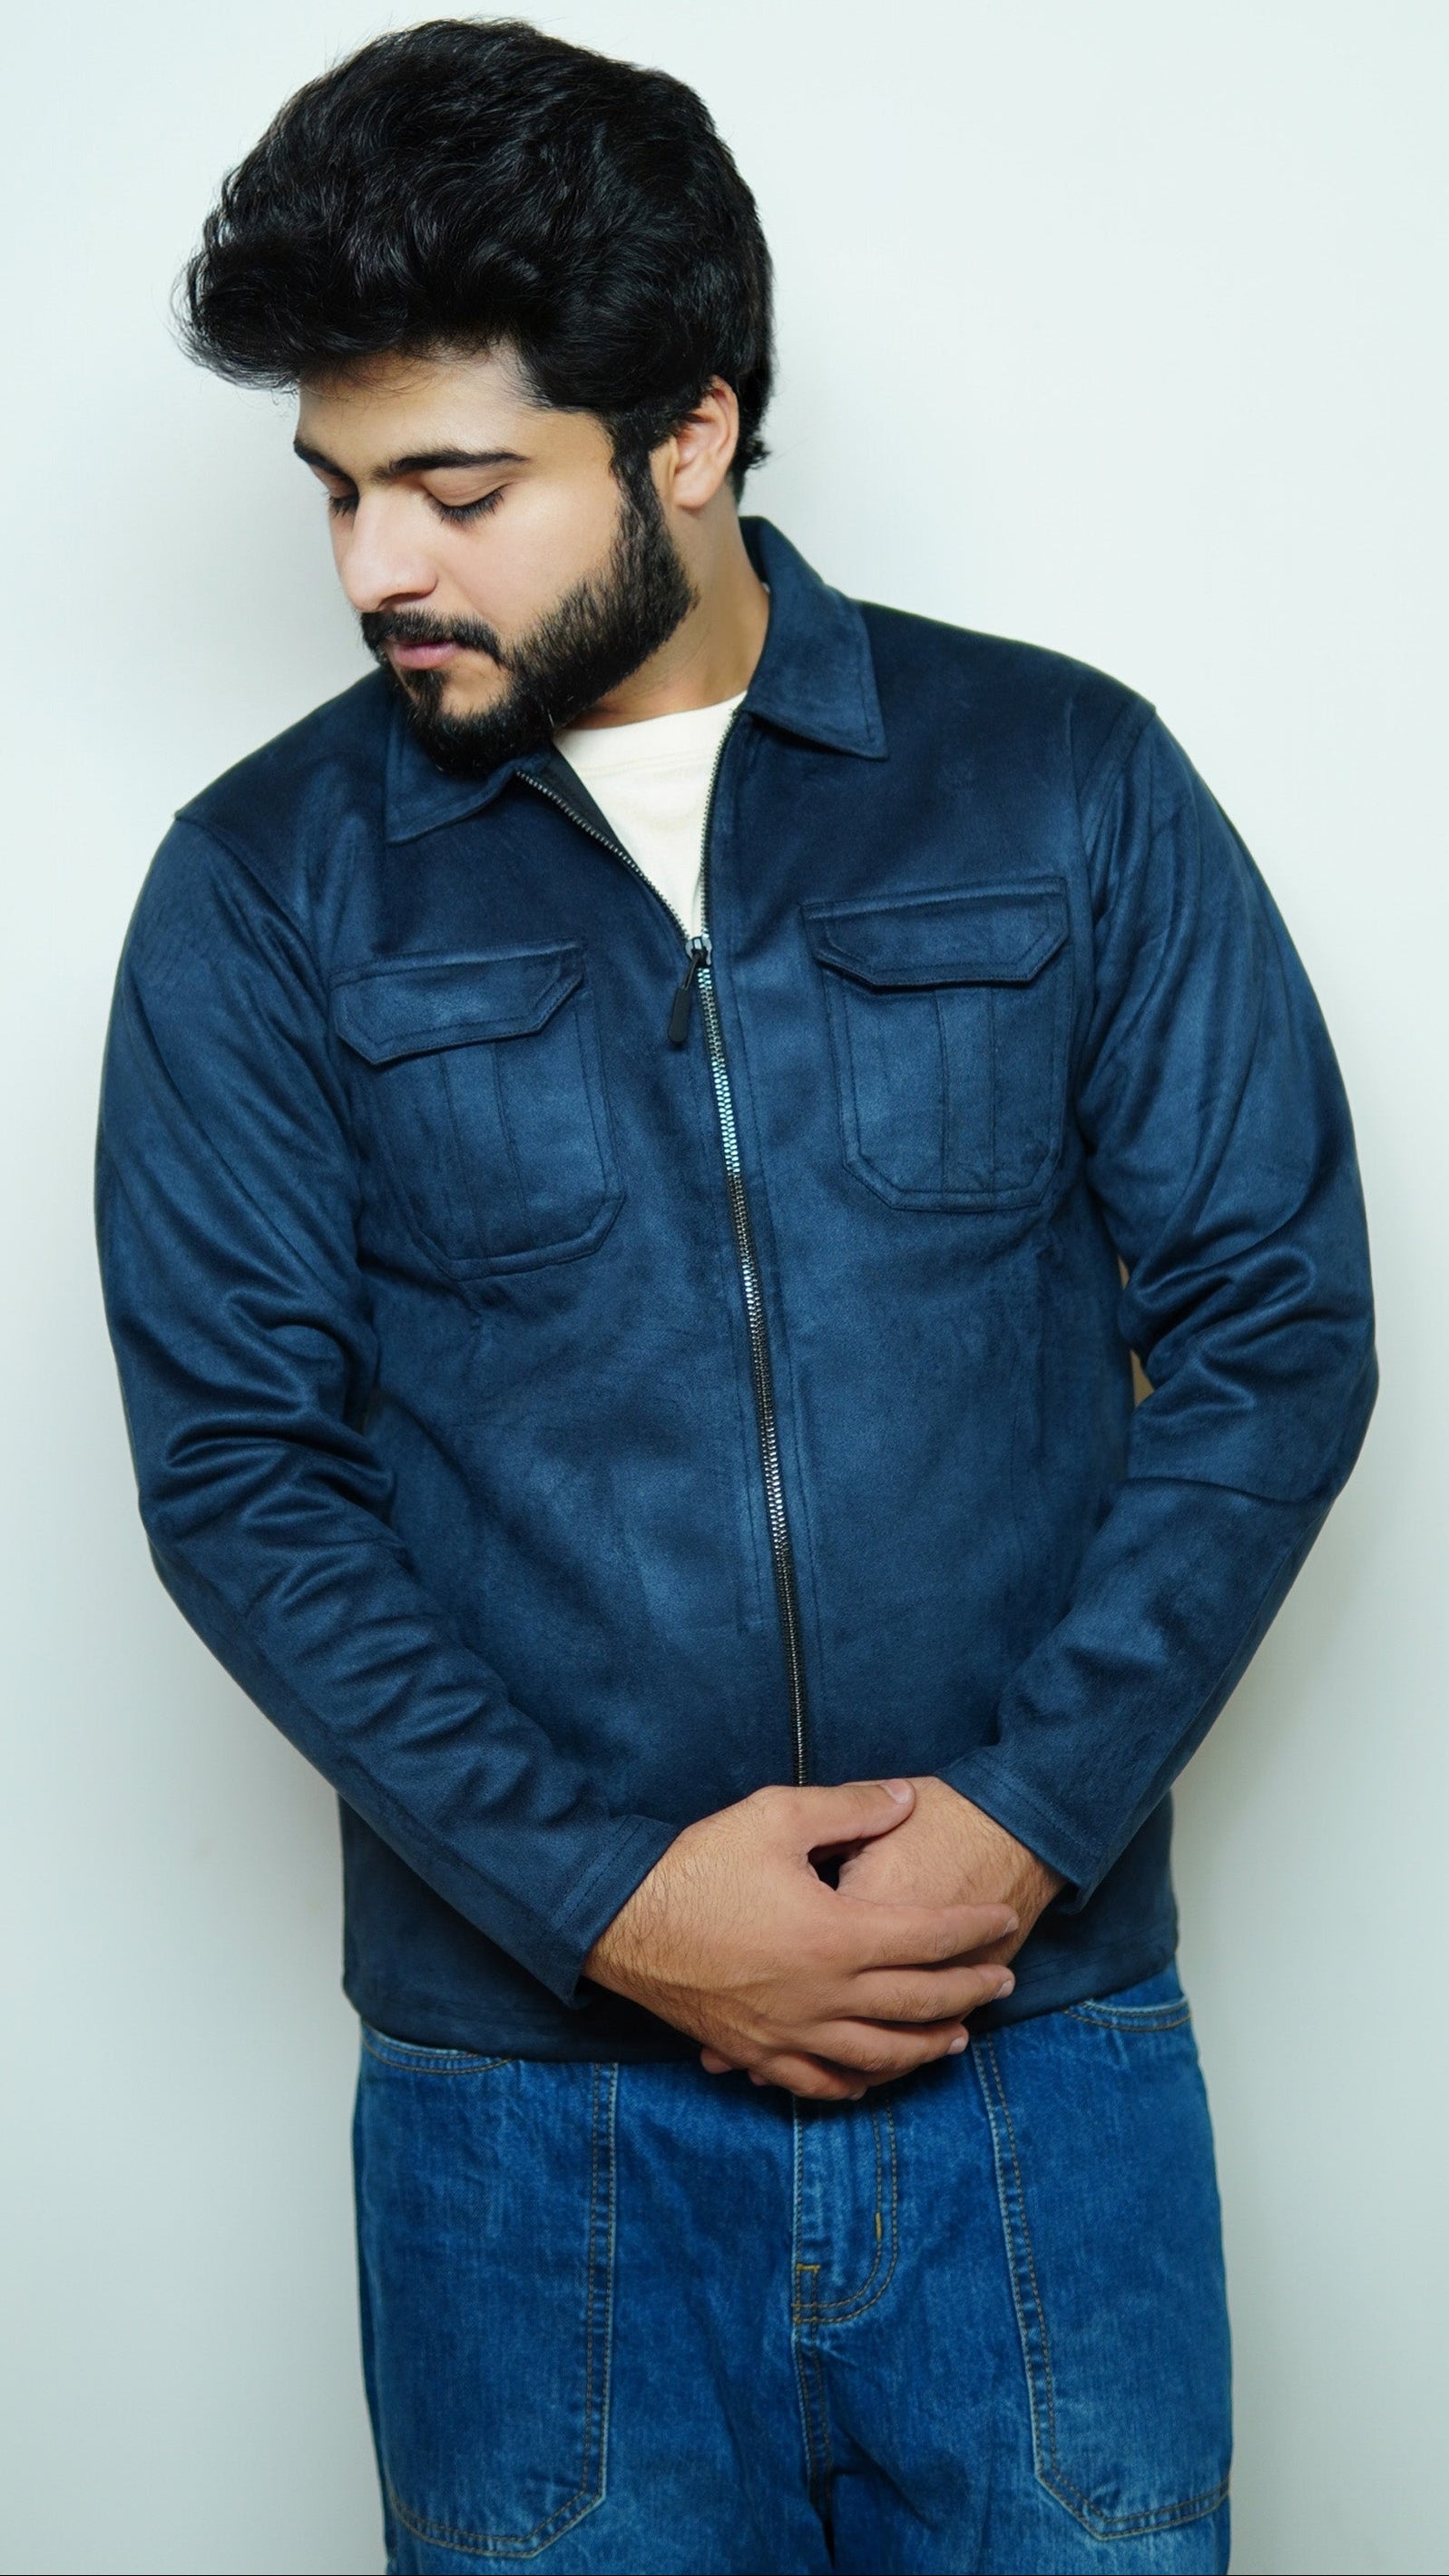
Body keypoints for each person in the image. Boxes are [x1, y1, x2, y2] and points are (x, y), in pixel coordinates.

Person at [93, 19, 1376, 2574]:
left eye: (459, 489)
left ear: (687, 433)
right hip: (524, 2127)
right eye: (339, 492)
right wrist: (615, 1904)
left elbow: (1270, 1325)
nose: (374, 570)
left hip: (1039, 2057)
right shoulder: (259, 887)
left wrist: (1016, 1834)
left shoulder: (1067, 784)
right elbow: (244, 1473)